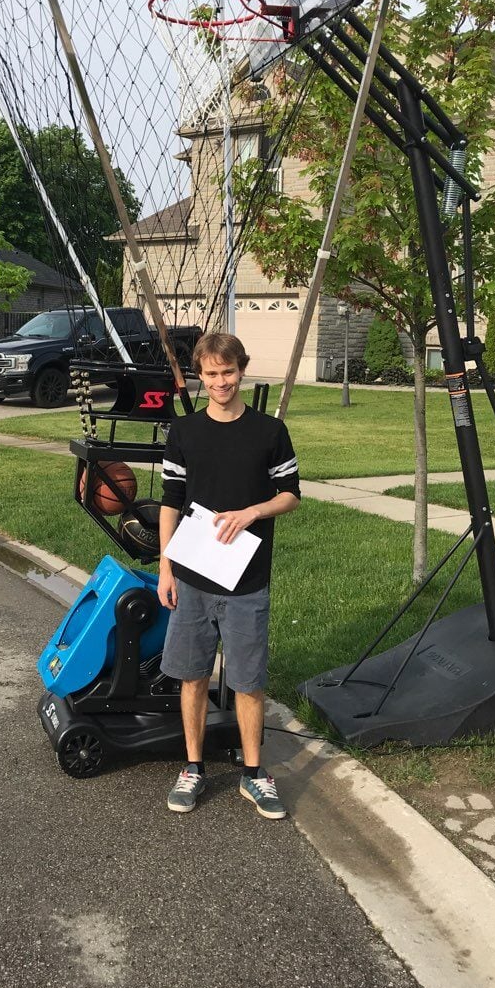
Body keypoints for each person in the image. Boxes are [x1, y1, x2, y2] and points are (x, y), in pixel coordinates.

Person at [157, 332, 300, 818]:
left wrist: (253, 511)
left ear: (242, 370)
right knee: (193, 676)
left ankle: (254, 774)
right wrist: (166, 567)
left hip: (247, 580)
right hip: (193, 577)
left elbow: (291, 494)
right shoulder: (184, 432)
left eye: (229, 372)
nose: (221, 382)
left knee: (248, 681)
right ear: (201, 375)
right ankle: (193, 767)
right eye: (212, 373)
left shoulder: (269, 431)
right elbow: (171, 501)